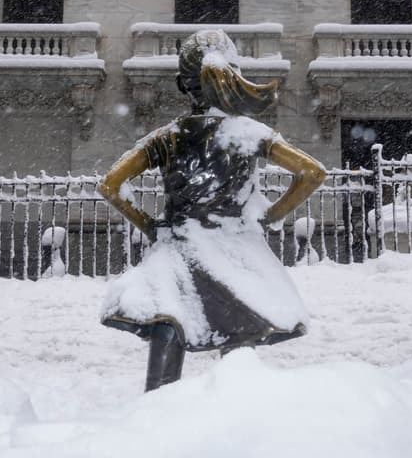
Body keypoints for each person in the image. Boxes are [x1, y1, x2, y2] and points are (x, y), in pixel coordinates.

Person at [96, 29, 326, 391]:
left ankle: (153, 413)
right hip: (233, 250)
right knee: (239, 328)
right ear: (233, 74)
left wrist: (149, 225)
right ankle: (233, 413)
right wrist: (270, 215)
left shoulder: (167, 137)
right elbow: (312, 173)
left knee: (169, 321)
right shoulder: (249, 133)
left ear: (181, 85)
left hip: (180, 245)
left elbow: (110, 185)